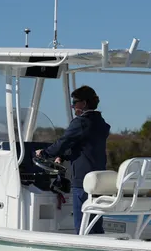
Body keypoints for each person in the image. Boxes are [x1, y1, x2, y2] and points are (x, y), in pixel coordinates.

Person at [36, 85, 110, 234]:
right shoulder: (100, 123)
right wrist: (62, 156)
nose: (72, 106)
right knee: (95, 223)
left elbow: (64, 141)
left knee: (82, 225)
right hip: (99, 180)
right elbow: (84, 146)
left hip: (83, 181)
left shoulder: (81, 123)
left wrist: (44, 153)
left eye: (74, 102)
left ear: (83, 104)